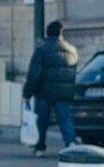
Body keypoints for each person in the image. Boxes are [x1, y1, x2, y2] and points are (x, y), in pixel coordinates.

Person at [22, 20, 79, 157]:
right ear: (61, 33)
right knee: (65, 119)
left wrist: (27, 94)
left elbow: (33, 75)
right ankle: (71, 142)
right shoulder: (72, 50)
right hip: (65, 92)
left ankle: (39, 147)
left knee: (41, 120)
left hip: (44, 91)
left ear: (47, 33)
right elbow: (73, 72)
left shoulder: (41, 50)